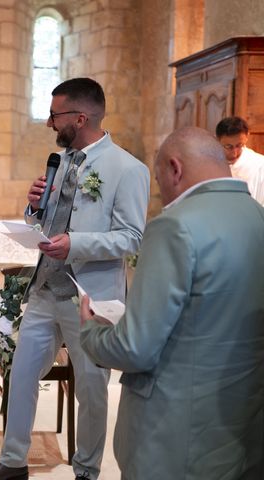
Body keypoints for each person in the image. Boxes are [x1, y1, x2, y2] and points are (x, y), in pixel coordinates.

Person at [0, 78, 150, 480]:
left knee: (91, 388)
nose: (49, 124)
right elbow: (47, 220)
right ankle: (13, 462)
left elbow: (131, 238)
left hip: (90, 298)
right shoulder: (62, 161)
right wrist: (33, 207)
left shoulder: (127, 169)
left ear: (80, 117)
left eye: (55, 115)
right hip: (45, 288)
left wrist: (75, 244)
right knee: (21, 376)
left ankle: (86, 471)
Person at [79, 126, 264, 479]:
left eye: (159, 176)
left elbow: (135, 349)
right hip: (244, 429)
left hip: (175, 435)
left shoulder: (175, 227)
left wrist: (90, 331)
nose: (160, 189)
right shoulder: (259, 218)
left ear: (175, 168)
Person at [215, 116, 264, 204]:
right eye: (228, 147)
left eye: (239, 145)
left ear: (247, 136)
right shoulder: (209, 163)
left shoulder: (260, 165)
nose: (234, 153)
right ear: (217, 140)